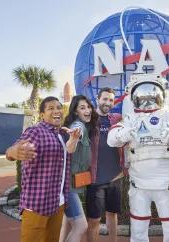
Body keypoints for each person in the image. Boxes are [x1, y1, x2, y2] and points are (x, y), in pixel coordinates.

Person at [108, 74, 169, 242]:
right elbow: (111, 138)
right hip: (139, 183)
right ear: (134, 97)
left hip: (166, 182)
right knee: (138, 227)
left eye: (152, 94)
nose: (148, 100)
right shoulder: (131, 119)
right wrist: (122, 134)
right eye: (143, 95)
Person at [5, 96, 79, 242]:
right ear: (42, 115)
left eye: (58, 107)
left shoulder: (61, 135)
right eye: (50, 108)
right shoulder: (36, 132)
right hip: (37, 205)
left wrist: (74, 139)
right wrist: (13, 152)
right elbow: (15, 149)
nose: (56, 111)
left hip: (58, 203)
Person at [86, 87, 124, 242]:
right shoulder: (89, 120)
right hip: (95, 178)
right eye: (105, 99)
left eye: (110, 100)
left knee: (112, 214)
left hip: (115, 177)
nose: (108, 102)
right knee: (94, 220)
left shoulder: (116, 119)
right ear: (98, 99)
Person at [59, 95, 98, 242]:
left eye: (88, 106)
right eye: (82, 108)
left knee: (68, 223)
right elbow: (74, 137)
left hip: (75, 183)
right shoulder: (78, 125)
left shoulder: (86, 125)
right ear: (75, 112)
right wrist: (75, 137)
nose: (87, 110)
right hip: (68, 186)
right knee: (81, 226)